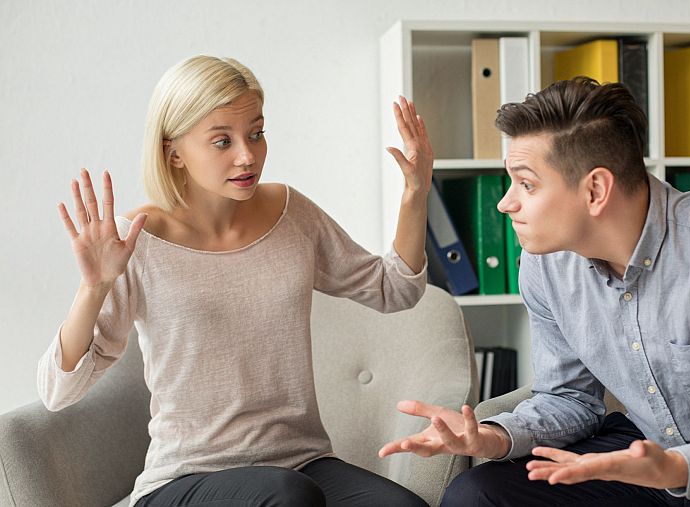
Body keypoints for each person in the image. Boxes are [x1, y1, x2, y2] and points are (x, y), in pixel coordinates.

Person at [380, 77, 690, 506]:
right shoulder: (543, 264)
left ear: (596, 188)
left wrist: (677, 467)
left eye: (527, 183)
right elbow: (568, 398)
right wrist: (492, 437)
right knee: (477, 495)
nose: (506, 203)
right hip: (638, 452)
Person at [38, 55, 433, 507]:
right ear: (174, 152)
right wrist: (94, 288)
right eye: (222, 141)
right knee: (287, 497)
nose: (247, 155)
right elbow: (57, 391)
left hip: (301, 463)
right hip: (185, 478)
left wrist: (414, 195)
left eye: (256, 134)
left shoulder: (291, 212)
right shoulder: (137, 241)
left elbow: (395, 289)